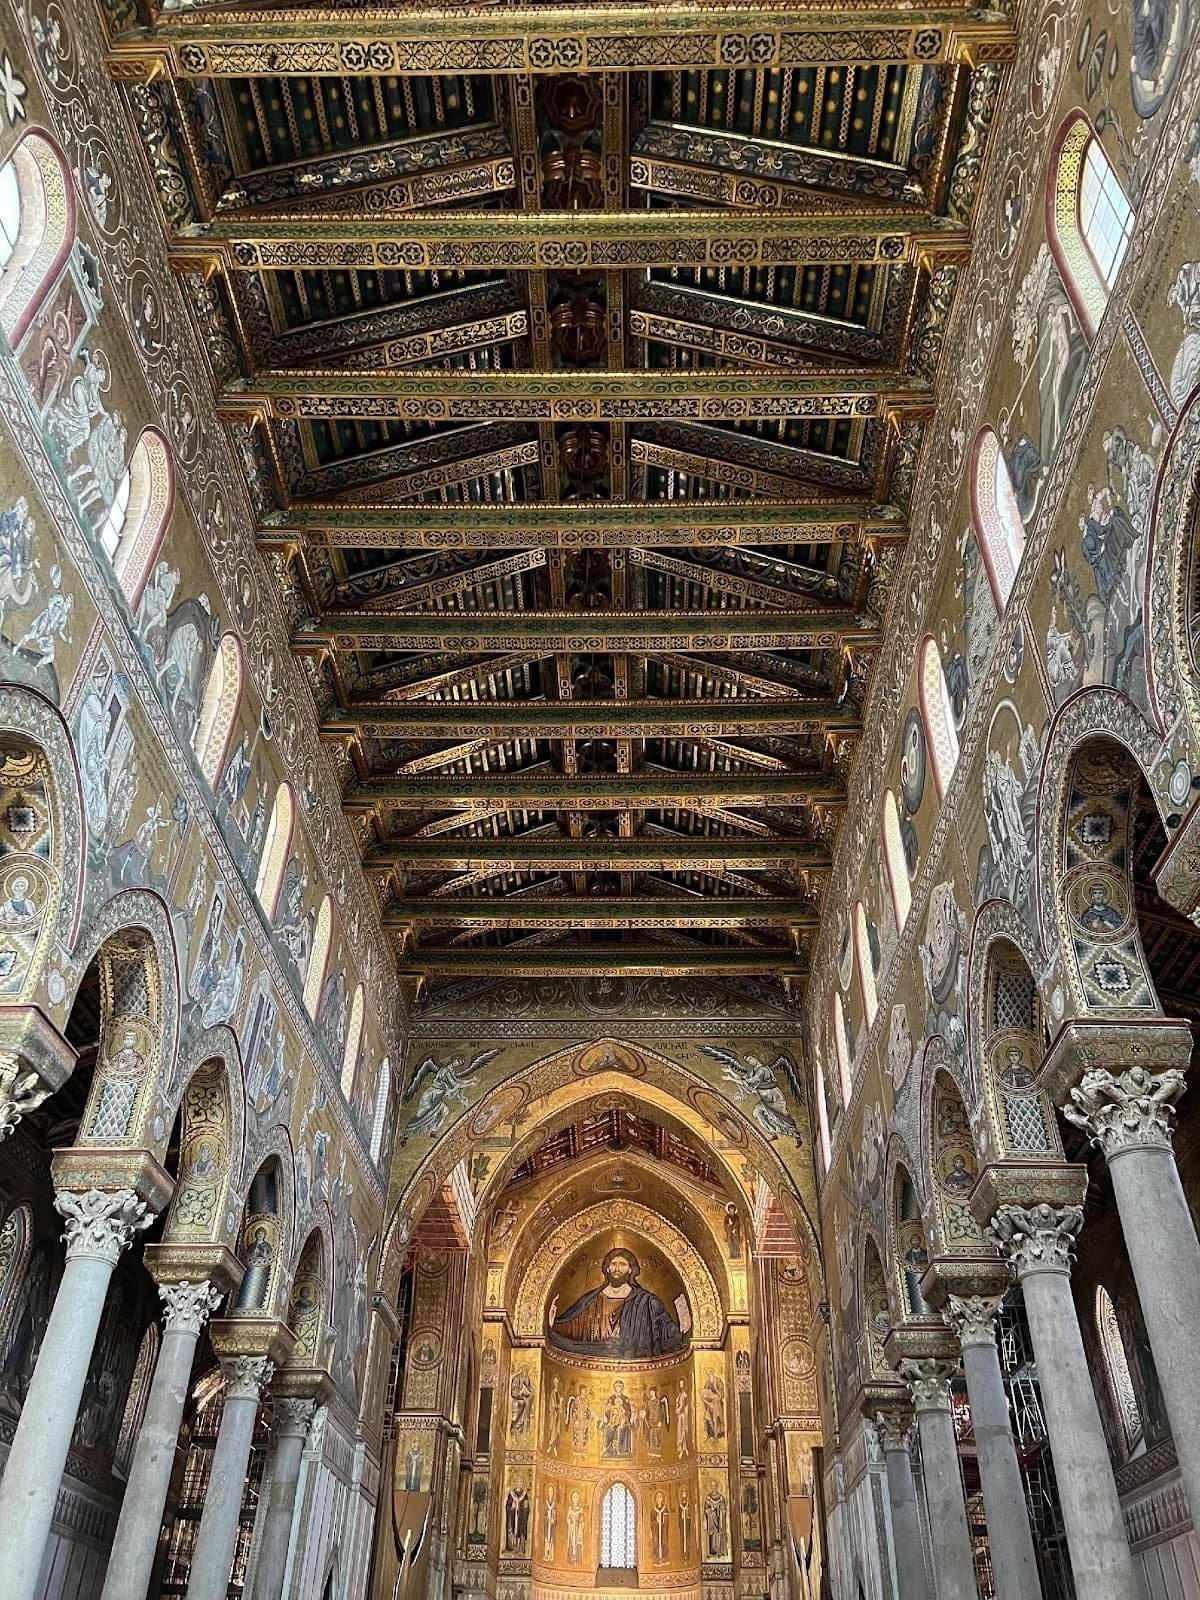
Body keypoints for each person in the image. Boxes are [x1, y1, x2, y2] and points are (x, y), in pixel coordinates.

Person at [548, 1248, 687, 1359]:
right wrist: (552, 1322)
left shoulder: (647, 1301)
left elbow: (666, 1331)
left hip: (636, 1362)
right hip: (594, 1356)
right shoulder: (592, 1299)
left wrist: (682, 1326)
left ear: (630, 1269)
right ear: (607, 1269)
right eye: (613, 1264)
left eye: (622, 1265)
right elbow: (572, 1325)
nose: (617, 1269)